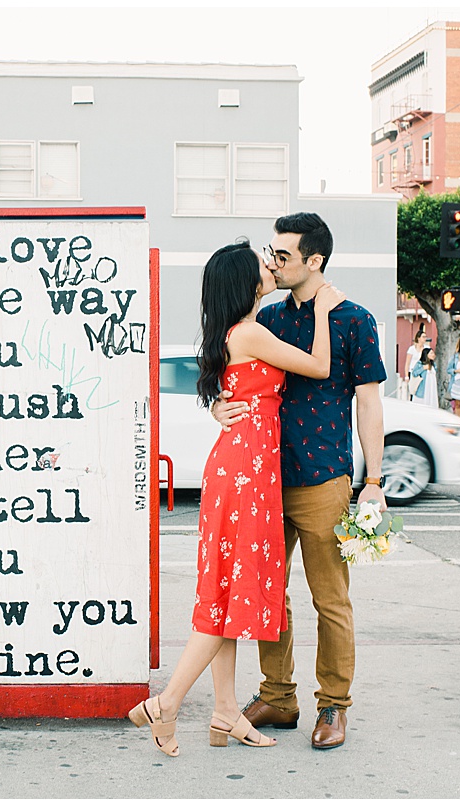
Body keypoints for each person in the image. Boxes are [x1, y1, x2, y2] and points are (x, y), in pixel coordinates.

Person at [128, 240, 345, 756]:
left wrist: (219, 409)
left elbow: (235, 389)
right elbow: (318, 366)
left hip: (239, 467)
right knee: (230, 597)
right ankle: (168, 703)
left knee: (226, 596)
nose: (270, 267)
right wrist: (321, 310)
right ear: (246, 283)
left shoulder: (234, 332)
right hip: (247, 473)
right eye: (261, 265)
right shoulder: (249, 331)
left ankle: (226, 713)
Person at [209, 212, 387, 751]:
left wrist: (373, 478)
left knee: (330, 600)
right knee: (269, 594)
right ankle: (278, 696)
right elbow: (237, 374)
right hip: (261, 480)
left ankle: (333, 705)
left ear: (315, 260)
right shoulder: (266, 318)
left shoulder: (354, 319)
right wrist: (221, 405)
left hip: (323, 478)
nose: (272, 261)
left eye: (283, 255)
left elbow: (369, 402)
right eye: (272, 251)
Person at [404, 329, 426, 400]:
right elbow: (407, 363)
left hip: (422, 371)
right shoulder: (412, 349)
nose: (425, 338)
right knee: (413, 389)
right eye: (423, 337)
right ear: (418, 338)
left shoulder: (426, 349)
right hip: (413, 371)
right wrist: (407, 375)